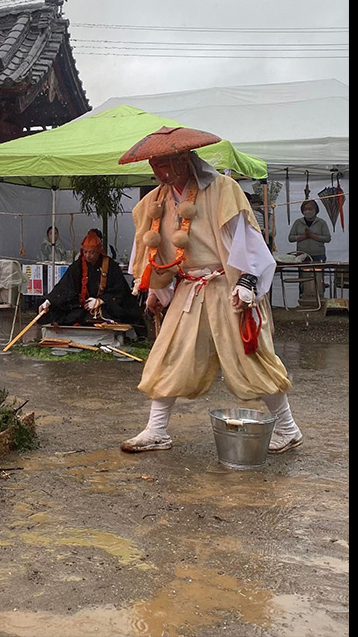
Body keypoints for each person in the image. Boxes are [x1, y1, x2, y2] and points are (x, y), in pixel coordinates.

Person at [118, 126, 304, 455]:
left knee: (251, 357)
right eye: (154, 164)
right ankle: (156, 430)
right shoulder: (155, 201)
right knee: (168, 355)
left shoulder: (222, 189)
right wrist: (153, 288)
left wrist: (248, 282)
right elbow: (151, 252)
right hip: (188, 290)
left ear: (185, 158)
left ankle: (288, 429)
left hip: (226, 285)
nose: (159, 170)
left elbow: (247, 238)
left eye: (166, 162)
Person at [37, 229, 142, 326]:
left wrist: (101, 301)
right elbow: (65, 286)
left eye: (92, 252)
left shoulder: (110, 266)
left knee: (116, 314)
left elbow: (120, 290)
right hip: (82, 306)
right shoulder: (78, 265)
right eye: (85, 252)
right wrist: (48, 301)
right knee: (61, 314)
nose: (88, 256)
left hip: (105, 307)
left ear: (99, 252)